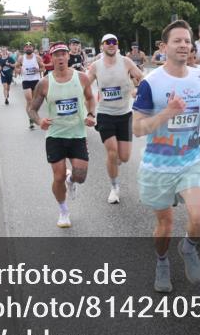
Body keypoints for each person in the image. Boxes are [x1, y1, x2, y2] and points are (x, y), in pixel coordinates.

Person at [133, 20, 200, 292]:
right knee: (164, 226)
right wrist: (167, 113)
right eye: (177, 41)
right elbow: (138, 128)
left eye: (187, 41)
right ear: (164, 46)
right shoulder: (151, 83)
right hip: (158, 166)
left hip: (191, 160)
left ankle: (189, 248)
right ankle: (162, 261)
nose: (183, 45)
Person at [28, 44, 96, 228]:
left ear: (68, 57)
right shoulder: (44, 83)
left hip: (77, 134)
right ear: (51, 58)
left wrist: (90, 115)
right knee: (57, 177)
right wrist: (39, 121)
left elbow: (90, 98)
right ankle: (63, 210)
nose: (60, 58)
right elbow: (32, 109)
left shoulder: (81, 78)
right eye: (56, 55)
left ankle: (71, 180)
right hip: (55, 135)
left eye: (63, 54)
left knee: (80, 176)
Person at [88, 33, 144, 204]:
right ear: (102, 46)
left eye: (114, 42)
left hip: (124, 114)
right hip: (105, 114)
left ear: (117, 45)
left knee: (124, 157)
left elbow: (141, 78)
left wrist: (137, 89)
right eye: (108, 42)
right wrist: (88, 110)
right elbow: (85, 86)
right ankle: (114, 187)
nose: (111, 45)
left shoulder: (126, 62)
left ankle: (114, 164)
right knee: (112, 152)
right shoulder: (96, 66)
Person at [16, 42, 46, 128]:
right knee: (29, 100)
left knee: (33, 101)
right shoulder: (21, 58)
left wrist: (38, 70)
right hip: (26, 81)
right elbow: (16, 67)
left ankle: (32, 116)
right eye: (26, 47)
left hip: (36, 81)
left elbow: (43, 68)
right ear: (24, 49)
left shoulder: (37, 57)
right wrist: (19, 70)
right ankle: (30, 118)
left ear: (32, 48)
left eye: (30, 47)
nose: (28, 48)